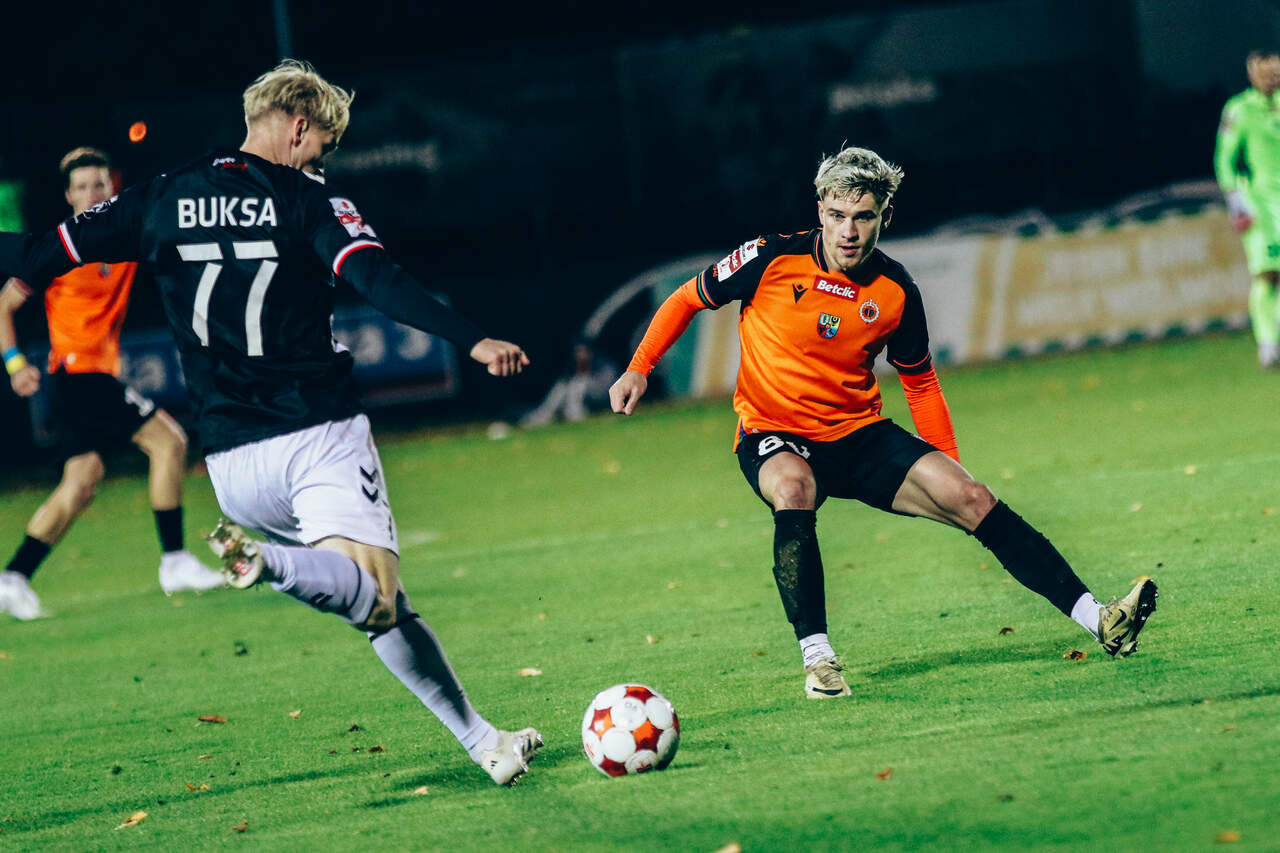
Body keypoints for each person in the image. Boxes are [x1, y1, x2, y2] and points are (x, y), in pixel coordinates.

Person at [0, 60, 541, 785]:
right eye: (322, 143)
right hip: (315, 432)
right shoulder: (306, 199)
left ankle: (485, 742)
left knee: (384, 607)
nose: (323, 159)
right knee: (375, 595)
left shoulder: (163, 195)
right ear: (296, 124)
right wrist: (469, 338)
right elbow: (376, 278)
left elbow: (34, 252)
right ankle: (266, 562)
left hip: (231, 464)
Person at [609, 146, 1158, 699]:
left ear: (884, 217)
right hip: (774, 431)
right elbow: (687, 298)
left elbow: (920, 381)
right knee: (793, 489)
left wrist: (948, 466)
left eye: (863, 217)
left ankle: (1101, 621)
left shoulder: (896, 290)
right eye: (837, 215)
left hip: (858, 435)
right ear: (820, 210)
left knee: (972, 498)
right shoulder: (770, 259)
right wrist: (639, 368)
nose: (848, 231)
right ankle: (819, 660)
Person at [0, 147, 225, 621]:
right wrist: (15, 364)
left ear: (112, 188)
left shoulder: (126, 236)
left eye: (99, 185)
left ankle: (14, 577)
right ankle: (175, 561)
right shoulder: (59, 251)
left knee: (81, 481)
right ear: (68, 196)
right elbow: (4, 305)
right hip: (78, 377)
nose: (91, 194)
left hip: (87, 378)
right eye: (81, 187)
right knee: (169, 443)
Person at [1215, 49, 1280, 368]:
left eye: (1276, 72)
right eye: (1266, 72)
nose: (1272, 77)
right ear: (1252, 73)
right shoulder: (1240, 109)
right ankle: (1267, 343)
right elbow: (1224, 159)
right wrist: (1236, 201)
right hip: (1260, 206)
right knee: (1268, 273)